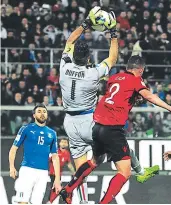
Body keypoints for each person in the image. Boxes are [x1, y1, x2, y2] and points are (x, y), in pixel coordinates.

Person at [49, 8, 159, 204]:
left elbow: (69, 42)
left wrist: (85, 24)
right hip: (89, 120)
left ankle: (76, 197)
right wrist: (114, 34)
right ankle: (140, 170)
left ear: (73, 55)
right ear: (89, 58)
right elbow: (112, 58)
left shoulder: (64, 67)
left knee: (82, 167)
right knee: (117, 149)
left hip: (69, 122)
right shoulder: (93, 73)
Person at [53, 55, 171, 204]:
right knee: (124, 172)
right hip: (112, 129)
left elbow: (118, 95)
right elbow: (149, 97)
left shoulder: (114, 77)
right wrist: (169, 108)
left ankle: (68, 190)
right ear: (141, 70)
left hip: (97, 126)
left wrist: (133, 97)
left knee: (95, 161)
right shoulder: (136, 80)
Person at [8, 104, 61, 204]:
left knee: (37, 202)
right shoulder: (26, 129)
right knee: (22, 201)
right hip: (27, 170)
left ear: (47, 115)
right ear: (34, 115)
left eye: (44, 112)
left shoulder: (52, 133)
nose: (42, 114)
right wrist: (11, 166)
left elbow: (55, 157)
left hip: (43, 173)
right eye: (39, 112)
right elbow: (13, 149)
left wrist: (57, 179)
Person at [47, 138, 75, 204]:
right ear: (59, 143)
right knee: (57, 188)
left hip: (59, 174)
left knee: (56, 188)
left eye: (65, 142)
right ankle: (50, 201)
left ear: (67, 144)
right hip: (52, 173)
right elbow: (48, 159)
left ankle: (50, 201)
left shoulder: (67, 153)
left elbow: (69, 164)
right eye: (62, 142)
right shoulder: (55, 151)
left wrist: (74, 172)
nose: (64, 144)